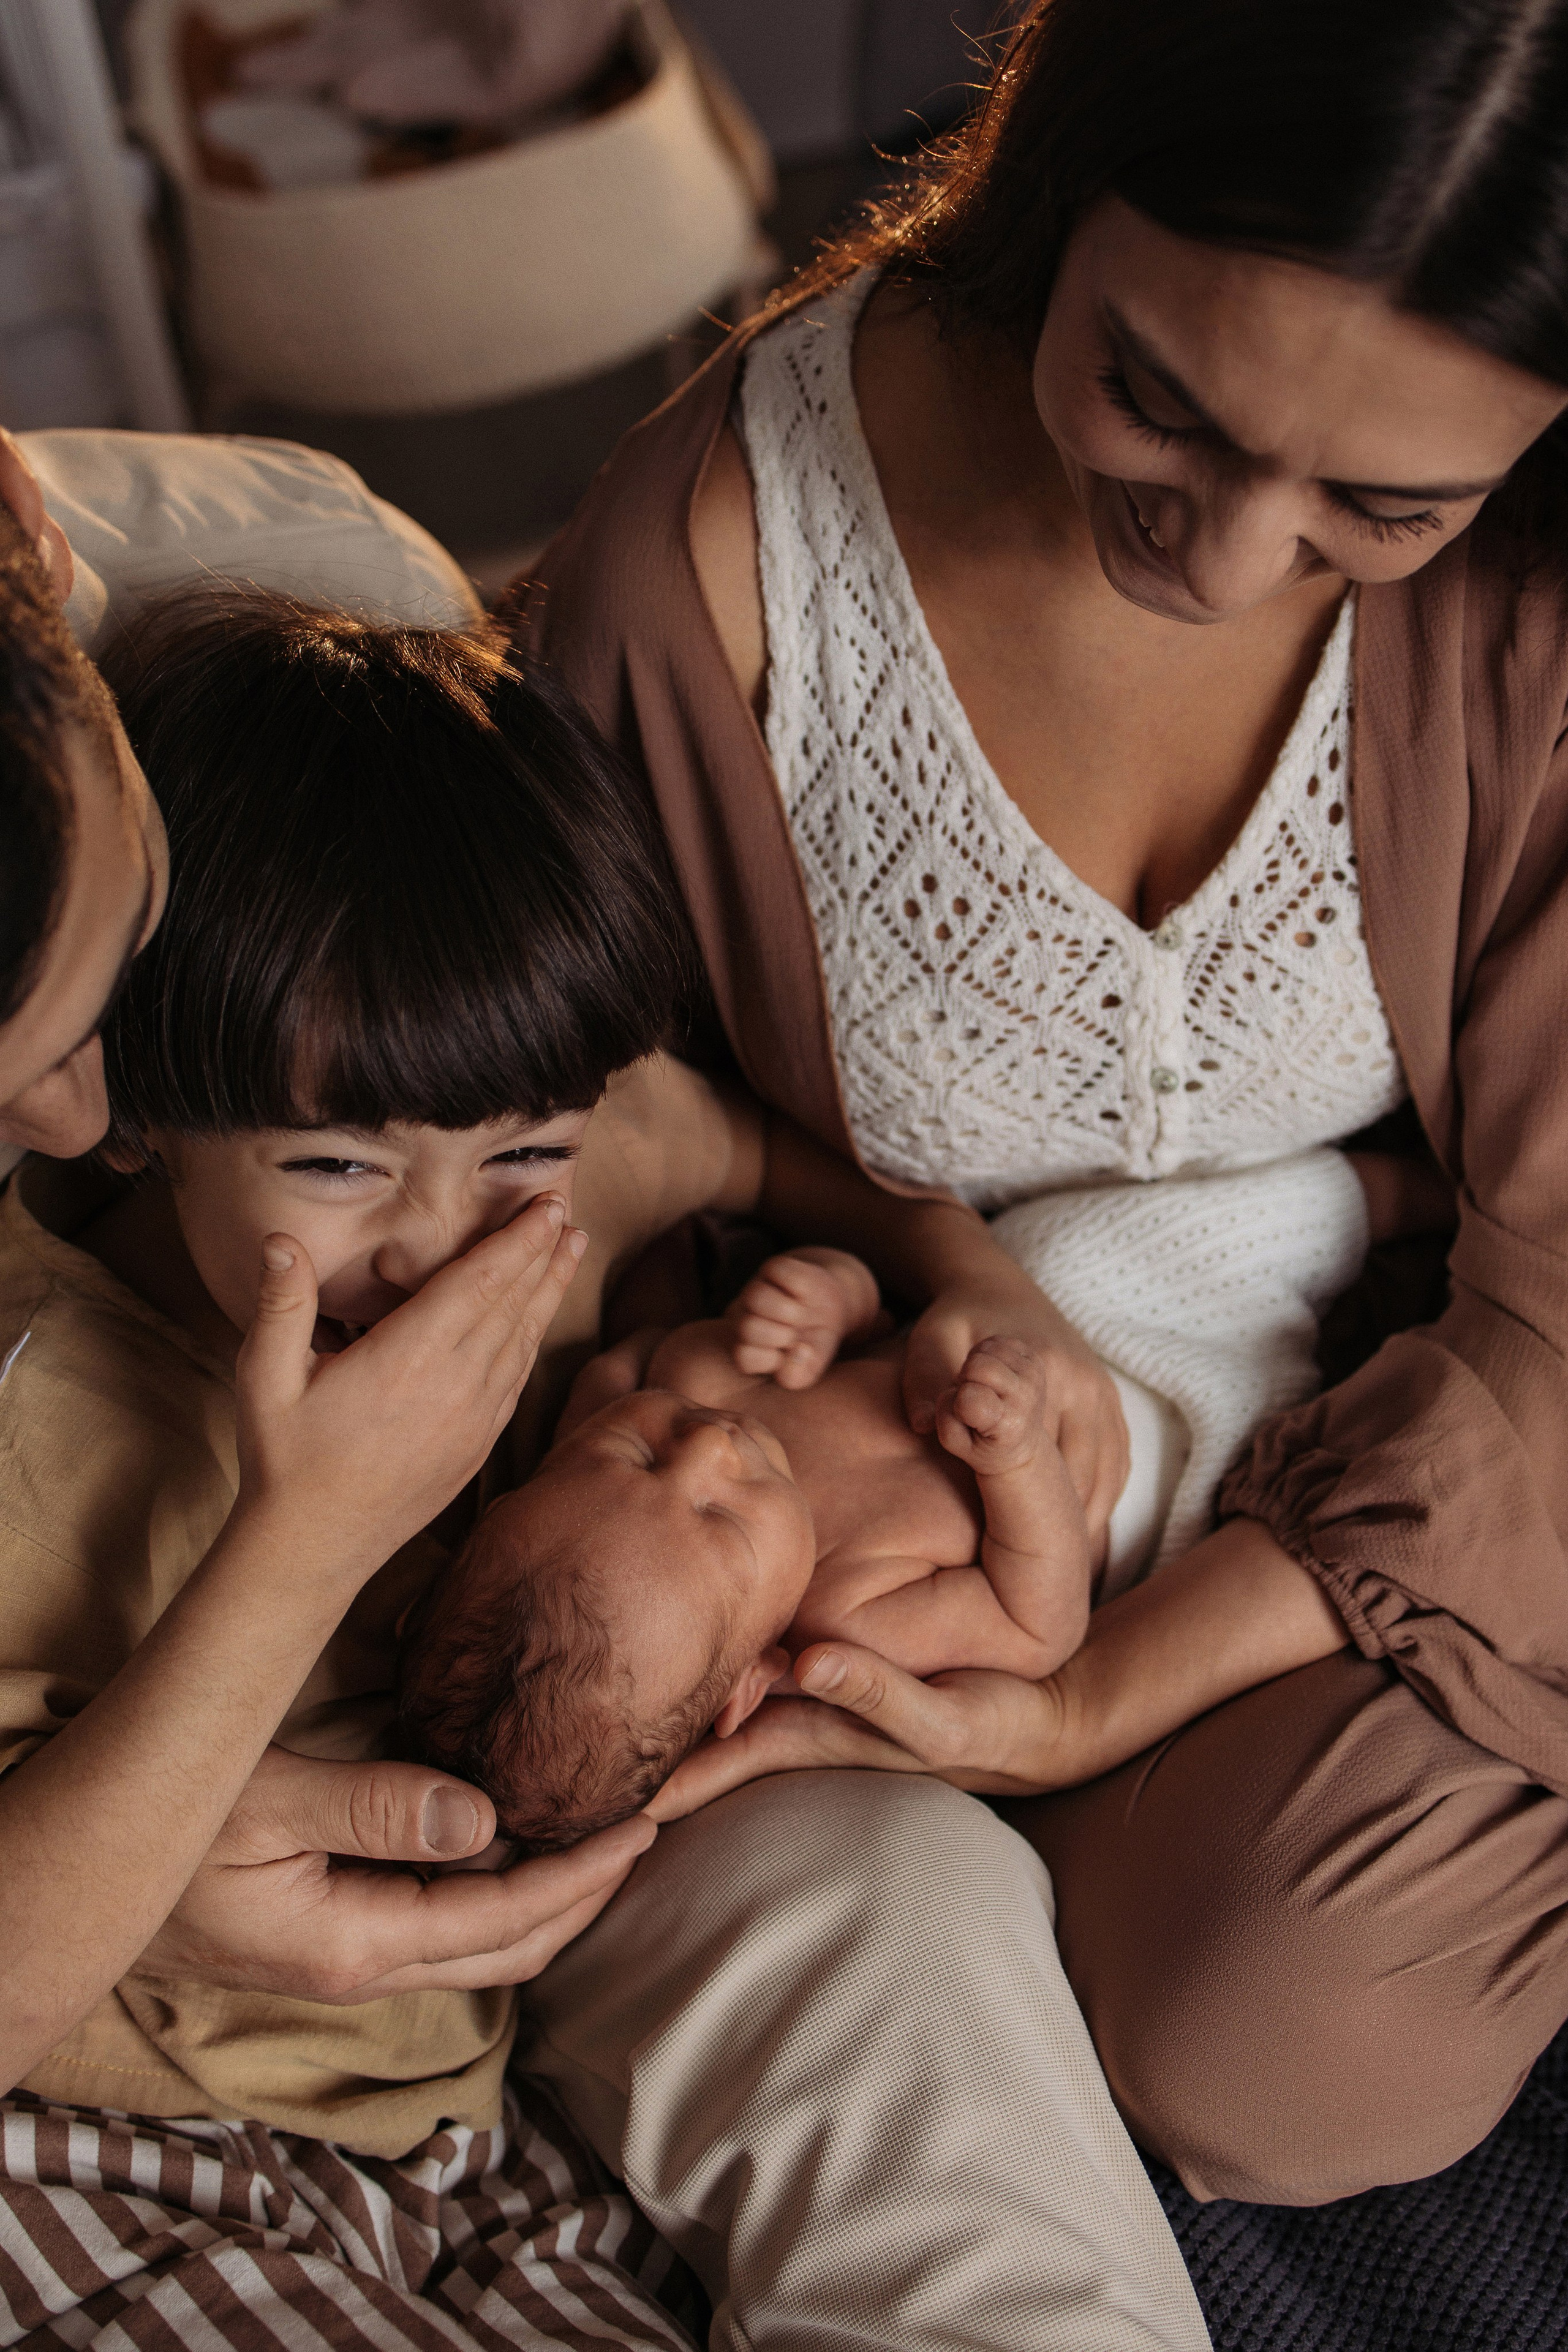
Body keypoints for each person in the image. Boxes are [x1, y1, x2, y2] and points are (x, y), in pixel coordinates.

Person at [520, 0, 1568, 2207]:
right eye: (1156, 403)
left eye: (1384, 506)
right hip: (951, 1455)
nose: (1228, 552)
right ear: (1061, 168)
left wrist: (1088, 1711)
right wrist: (921, 1263)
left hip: (1465, 1430)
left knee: (1276, 2047)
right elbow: (623, 1165)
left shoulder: (1537, 603)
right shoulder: (705, 580)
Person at [0, 584, 1210, 2352]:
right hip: (140, 2078)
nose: (441, 1244)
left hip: (529, 1992)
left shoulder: (562, 1143)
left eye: (524, 1157)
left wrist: (975, 1276)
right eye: (333, 1169)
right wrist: (312, 1529)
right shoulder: (54, 1362)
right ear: (139, 1097)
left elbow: (750, 1152)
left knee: (922, 1895)